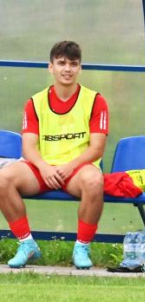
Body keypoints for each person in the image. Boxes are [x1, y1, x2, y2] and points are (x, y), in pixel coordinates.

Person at [0, 41, 108, 269]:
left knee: (94, 180)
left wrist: (68, 167)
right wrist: (45, 168)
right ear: (51, 67)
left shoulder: (95, 100)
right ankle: (27, 244)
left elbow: (97, 148)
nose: (67, 69)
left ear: (80, 68)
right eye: (61, 63)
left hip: (77, 170)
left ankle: (82, 246)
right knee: (2, 179)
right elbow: (28, 147)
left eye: (73, 64)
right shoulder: (35, 102)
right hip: (43, 168)